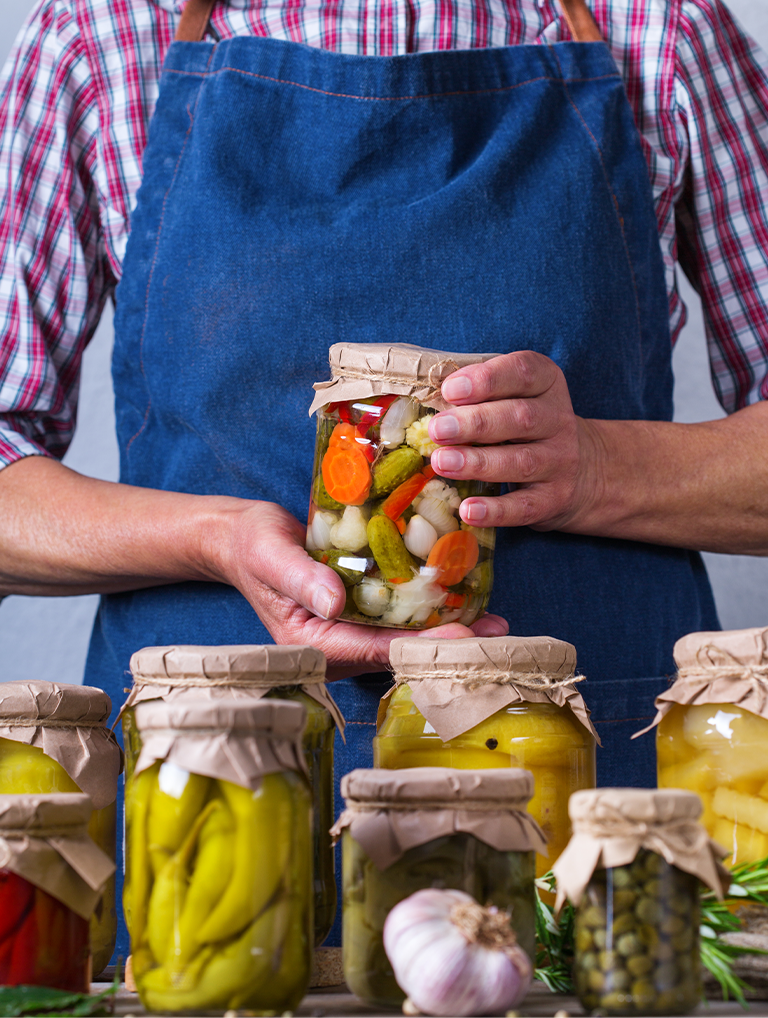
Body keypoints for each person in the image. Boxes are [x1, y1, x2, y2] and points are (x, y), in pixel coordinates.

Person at [0, 0, 766, 876]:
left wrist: (596, 469)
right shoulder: (99, 34)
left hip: (586, 798)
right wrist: (215, 539)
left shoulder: (660, 28)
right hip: (213, 812)